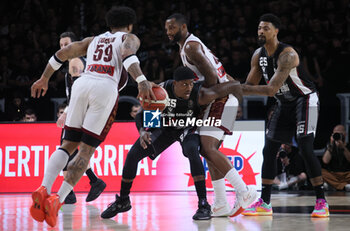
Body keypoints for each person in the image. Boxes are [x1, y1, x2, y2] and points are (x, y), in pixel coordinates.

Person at [29, 6, 155, 227]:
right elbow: (128, 56)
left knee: (67, 145)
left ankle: (43, 189)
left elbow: (61, 54)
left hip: (82, 85)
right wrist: (142, 80)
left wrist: (43, 79)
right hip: (104, 88)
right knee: (86, 151)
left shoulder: (93, 40)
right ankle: (56, 201)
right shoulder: (129, 37)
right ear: (130, 25)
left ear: (109, 25)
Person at [101, 66, 250, 220]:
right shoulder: (161, 92)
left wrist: (236, 89)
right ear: (175, 83)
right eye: (184, 84)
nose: (189, 87)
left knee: (193, 151)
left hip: (188, 128)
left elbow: (229, 88)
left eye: (191, 84)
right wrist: (143, 131)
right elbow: (141, 114)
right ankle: (123, 200)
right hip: (166, 128)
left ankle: (203, 205)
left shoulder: (199, 93)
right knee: (133, 155)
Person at [165, 13, 257, 217]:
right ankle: (222, 202)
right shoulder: (187, 46)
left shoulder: (190, 47)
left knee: (207, 147)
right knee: (210, 150)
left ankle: (244, 191)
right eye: (166, 29)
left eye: (172, 28)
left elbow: (213, 78)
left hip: (220, 99)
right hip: (222, 98)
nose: (168, 33)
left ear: (183, 27)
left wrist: (196, 100)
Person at [241, 14, 328, 217]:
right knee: (269, 149)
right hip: (284, 103)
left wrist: (235, 87)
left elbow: (270, 90)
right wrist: (232, 85)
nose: (261, 31)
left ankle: (322, 201)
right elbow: (249, 86)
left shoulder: (287, 54)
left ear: (276, 31)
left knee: (305, 145)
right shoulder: (258, 55)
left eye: (266, 28)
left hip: (305, 99)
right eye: (259, 28)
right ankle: (265, 203)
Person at [57, 32, 107, 204]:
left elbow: (78, 94)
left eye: (66, 44)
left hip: (79, 112)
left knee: (65, 149)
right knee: (69, 150)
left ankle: (77, 189)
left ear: (76, 45)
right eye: (61, 45)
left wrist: (66, 113)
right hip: (82, 111)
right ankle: (92, 182)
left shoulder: (75, 62)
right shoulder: (81, 62)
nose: (63, 48)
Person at [322, 124, 350, 191]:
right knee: (320, 172)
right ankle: (344, 186)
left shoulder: (348, 145)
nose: (337, 135)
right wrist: (331, 145)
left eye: (340, 133)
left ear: (345, 134)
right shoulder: (330, 146)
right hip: (333, 174)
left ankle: (334, 185)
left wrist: (343, 147)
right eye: (335, 133)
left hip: (347, 174)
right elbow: (325, 161)